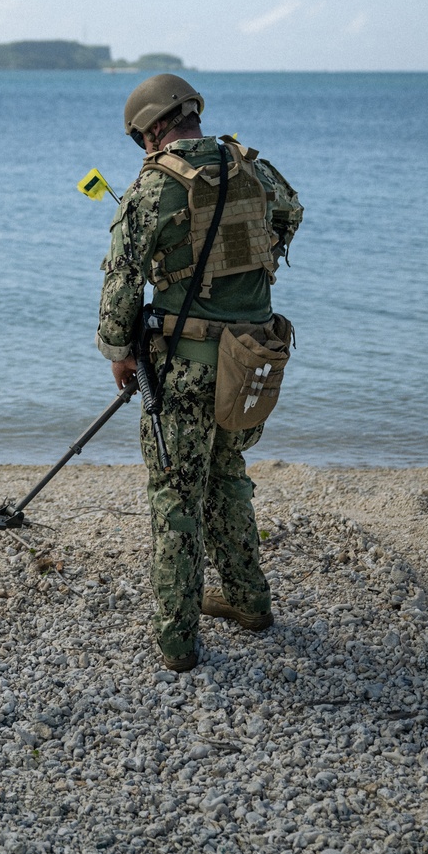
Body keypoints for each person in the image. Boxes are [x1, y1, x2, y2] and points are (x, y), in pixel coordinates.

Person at [97, 74, 303, 672]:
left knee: (175, 494)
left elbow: (120, 287)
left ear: (155, 127)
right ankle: (249, 602)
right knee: (228, 475)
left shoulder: (149, 189)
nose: (143, 150)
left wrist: (121, 353)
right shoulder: (252, 168)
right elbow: (291, 214)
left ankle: (177, 642)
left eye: (141, 139)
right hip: (251, 362)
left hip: (186, 368)